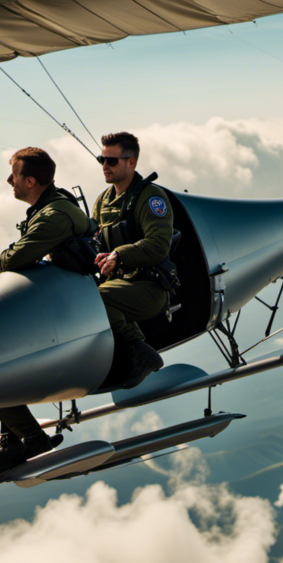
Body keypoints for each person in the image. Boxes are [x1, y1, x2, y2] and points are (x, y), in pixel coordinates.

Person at [0, 147, 91, 486]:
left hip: (68, 315)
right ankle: (14, 440)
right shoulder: (48, 208)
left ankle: (29, 439)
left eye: (13, 174)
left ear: (29, 180)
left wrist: (0, 264)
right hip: (62, 307)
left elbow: (13, 260)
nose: (8, 180)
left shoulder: (55, 214)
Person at [92, 132, 172, 389]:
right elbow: (92, 240)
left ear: (131, 163)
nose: (105, 165)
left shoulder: (151, 197)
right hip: (117, 285)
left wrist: (119, 255)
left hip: (148, 287)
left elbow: (159, 245)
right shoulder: (103, 201)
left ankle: (139, 353)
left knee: (96, 302)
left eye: (112, 161)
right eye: (101, 159)